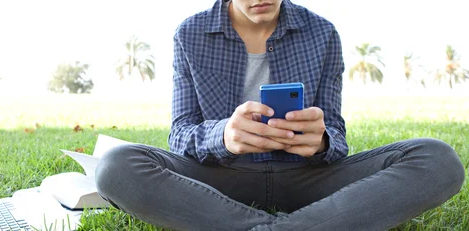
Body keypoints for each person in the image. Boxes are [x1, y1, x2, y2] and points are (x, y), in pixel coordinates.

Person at [95, 0, 466, 230]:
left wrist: (321, 141)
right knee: (116, 166)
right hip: (219, 178)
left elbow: (335, 134)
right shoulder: (190, 34)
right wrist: (224, 135)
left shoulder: (322, 32)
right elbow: (180, 135)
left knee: (436, 160)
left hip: (308, 179)